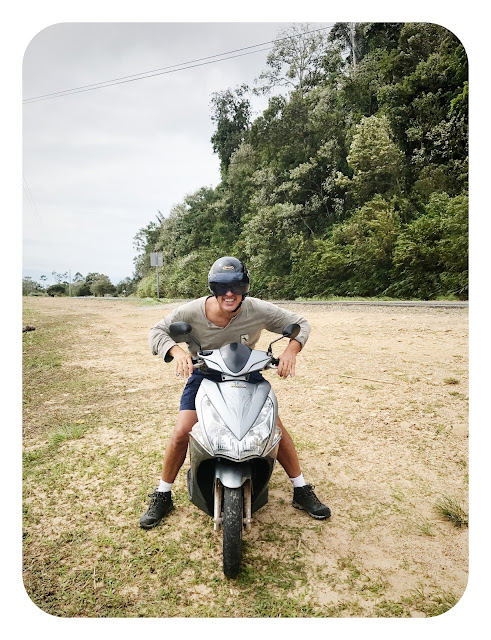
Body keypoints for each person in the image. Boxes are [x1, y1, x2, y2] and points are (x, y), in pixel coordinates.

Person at [140, 256, 331, 529]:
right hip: (205, 375)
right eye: (221, 287)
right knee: (183, 431)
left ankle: (301, 489)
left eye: (236, 286)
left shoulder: (257, 309)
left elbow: (301, 323)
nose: (229, 293)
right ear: (213, 288)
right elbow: (157, 331)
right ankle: (163, 493)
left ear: (245, 288)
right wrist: (177, 350)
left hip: (247, 374)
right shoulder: (192, 312)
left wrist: (291, 350)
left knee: (274, 428)